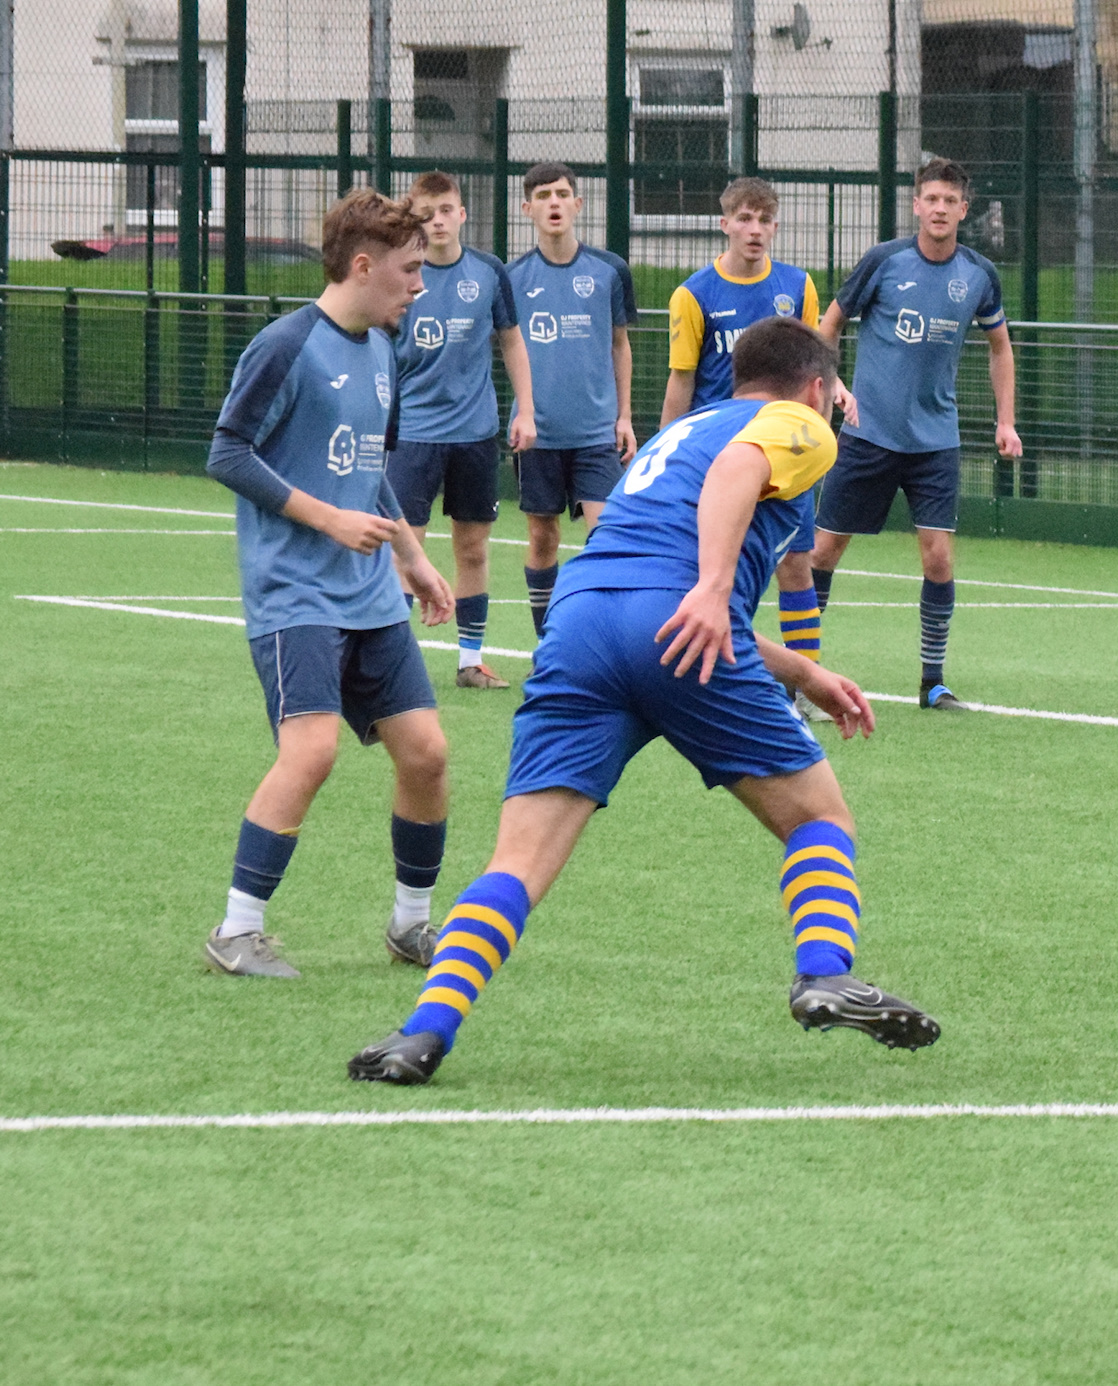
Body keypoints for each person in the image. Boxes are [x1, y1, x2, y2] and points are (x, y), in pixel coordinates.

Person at [349, 318, 939, 1085]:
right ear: (817, 388)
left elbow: (651, 577)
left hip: (581, 626)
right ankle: (824, 971)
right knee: (818, 819)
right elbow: (734, 483)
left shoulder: (684, 431)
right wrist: (715, 588)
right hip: (677, 624)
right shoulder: (797, 424)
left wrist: (800, 669)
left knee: (517, 862)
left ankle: (421, 1034)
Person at [201, 190, 458, 979]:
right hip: (295, 593)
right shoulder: (285, 346)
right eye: (409, 270)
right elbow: (228, 452)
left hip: (369, 593)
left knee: (427, 753)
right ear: (363, 266)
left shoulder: (384, 349)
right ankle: (236, 932)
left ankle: (411, 925)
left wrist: (411, 556)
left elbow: (368, 468)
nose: (419, 286)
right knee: (310, 753)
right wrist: (327, 519)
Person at [811, 157, 1021, 710]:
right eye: (931, 199)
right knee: (823, 552)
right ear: (916, 205)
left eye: (950, 201)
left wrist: (1005, 421)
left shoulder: (979, 275)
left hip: (935, 442)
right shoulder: (884, 261)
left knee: (939, 560)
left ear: (964, 210)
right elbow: (828, 326)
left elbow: (1001, 347)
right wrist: (833, 384)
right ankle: (799, 679)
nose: (940, 209)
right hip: (867, 435)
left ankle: (933, 683)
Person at [661, 176, 850, 722]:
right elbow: (682, 379)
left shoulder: (797, 286)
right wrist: (665, 445)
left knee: (796, 565)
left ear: (775, 226)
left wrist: (835, 391)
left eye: (765, 220)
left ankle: (803, 690)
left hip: (784, 452)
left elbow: (813, 364)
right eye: (744, 219)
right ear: (724, 224)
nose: (755, 230)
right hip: (722, 456)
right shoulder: (694, 294)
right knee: (707, 568)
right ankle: (696, 675)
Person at [389, 171, 537, 689]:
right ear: (414, 219)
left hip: (475, 434)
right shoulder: (400, 272)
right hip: (412, 433)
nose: (438, 221)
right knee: (405, 549)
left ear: (462, 214)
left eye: (446, 210)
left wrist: (525, 410)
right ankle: (392, 666)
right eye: (426, 214)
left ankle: (470, 661)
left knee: (472, 549)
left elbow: (512, 340)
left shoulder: (488, 272)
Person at [506, 162, 638, 637]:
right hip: (538, 434)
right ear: (527, 209)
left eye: (562, 194)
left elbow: (620, 344)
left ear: (578, 204)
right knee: (543, 537)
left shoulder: (609, 270)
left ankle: (603, 639)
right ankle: (549, 644)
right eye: (543, 196)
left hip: (596, 432)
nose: (554, 203)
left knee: (606, 537)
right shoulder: (511, 277)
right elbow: (505, 345)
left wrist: (624, 417)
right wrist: (522, 414)